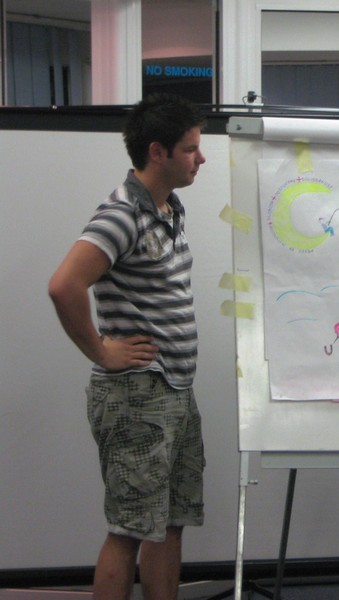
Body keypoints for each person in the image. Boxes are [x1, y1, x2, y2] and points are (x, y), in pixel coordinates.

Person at [48, 94, 207, 599]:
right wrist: (101, 352)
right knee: (130, 529)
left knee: (170, 522)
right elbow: (64, 286)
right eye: (191, 149)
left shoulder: (169, 207)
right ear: (157, 152)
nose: (201, 158)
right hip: (138, 396)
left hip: (175, 390)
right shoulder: (121, 214)